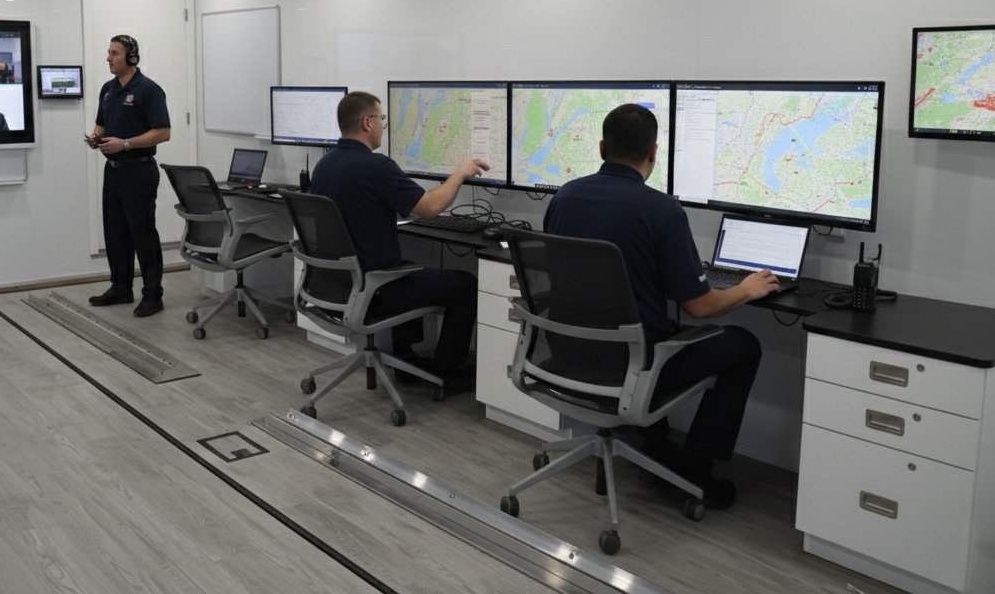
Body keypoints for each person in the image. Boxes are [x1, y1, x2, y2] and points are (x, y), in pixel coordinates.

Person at [542, 103, 776, 509]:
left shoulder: (565, 197)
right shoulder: (662, 210)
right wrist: (748, 289)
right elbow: (700, 307)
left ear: (601, 148)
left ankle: (655, 444)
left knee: (654, 326)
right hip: (635, 365)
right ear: (654, 151)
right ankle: (696, 473)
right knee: (742, 344)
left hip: (569, 354)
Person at [309, 91, 489, 390]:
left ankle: (406, 359)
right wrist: (459, 174)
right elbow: (430, 207)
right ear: (367, 123)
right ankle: (445, 371)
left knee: (408, 267)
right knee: (465, 284)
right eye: (382, 120)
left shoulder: (324, 165)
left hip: (336, 284)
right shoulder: (375, 166)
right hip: (372, 289)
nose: (383, 126)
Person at [85, 34, 171, 317]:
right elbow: (102, 122)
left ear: (131, 57)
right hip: (114, 172)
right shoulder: (108, 89)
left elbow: (163, 132)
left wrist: (125, 144)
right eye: (108, 52)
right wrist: (97, 137)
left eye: (115, 53)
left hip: (139, 171)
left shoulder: (148, 90)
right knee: (115, 233)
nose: (109, 58)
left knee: (142, 234)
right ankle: (121, 287)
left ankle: (152, 295)